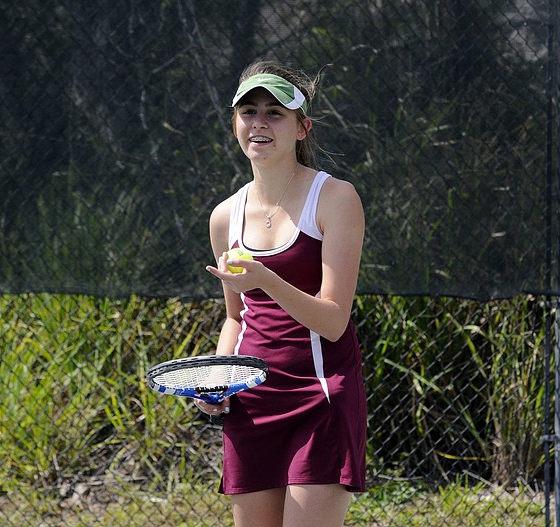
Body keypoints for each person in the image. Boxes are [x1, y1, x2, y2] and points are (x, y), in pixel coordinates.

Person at [198, 60, 367, 527]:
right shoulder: (224, 217)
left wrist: (266, 277)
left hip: (321, 396)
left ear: (302, 127)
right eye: (248, 111)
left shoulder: (335, 198)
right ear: (235, 123)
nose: (259, 122)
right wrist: (219, 378)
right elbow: (237, 317)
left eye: (275, 113)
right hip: (252, 405)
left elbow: (334, 320)